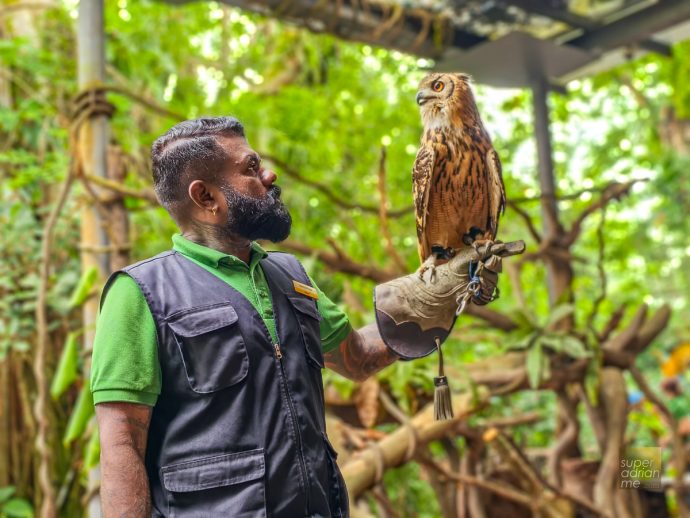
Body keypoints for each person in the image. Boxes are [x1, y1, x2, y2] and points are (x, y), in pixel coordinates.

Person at [91, 116, 505, 517]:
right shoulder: (141, 292)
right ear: (206, 198)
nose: (269, 176)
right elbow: (122, 441)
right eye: (250, 168)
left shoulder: (290, 276)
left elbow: (357, 356)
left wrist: (440, 292)